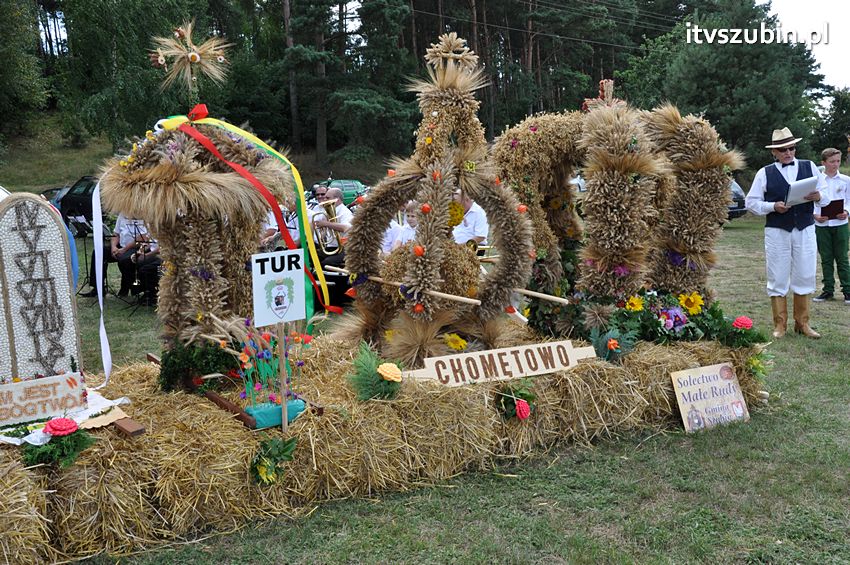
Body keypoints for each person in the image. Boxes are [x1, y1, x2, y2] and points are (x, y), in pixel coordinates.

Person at [745, 127, 829, 339]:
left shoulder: (809, 166)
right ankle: (780, 325)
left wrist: (818, 196)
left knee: (805, 272)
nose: (788, 153)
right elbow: (751, 203)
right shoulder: (764, 173)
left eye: (791, 148)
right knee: (777, 274)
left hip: (805, 227)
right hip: (777, 230)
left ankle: (802, 323)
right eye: (783, 150)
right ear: (774, 152)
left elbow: (826, 195)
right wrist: (773, 206)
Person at [812, 147, 850, 303]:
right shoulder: (816, 181)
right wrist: (815, 215)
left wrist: (846, 211)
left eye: (838, 161)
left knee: (842, 258)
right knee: (826, 258)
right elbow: (811, 200)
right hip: (822, 225)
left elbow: (849, 200)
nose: (835, 164)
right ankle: (828, 290)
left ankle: (847, 290)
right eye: (832, 161)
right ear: (823, 162)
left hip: (840, 224)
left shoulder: (846, 180)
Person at [80, 214, 151, 297]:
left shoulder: (144, 216)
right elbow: (116, 234)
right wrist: (113, 247)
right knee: (99, 252)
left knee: (124, 259)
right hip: (121, 246)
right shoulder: (122, 215)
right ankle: (98, 288)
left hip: (136, 248)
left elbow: (143, 238)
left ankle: (129, 288)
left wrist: (124, 249)